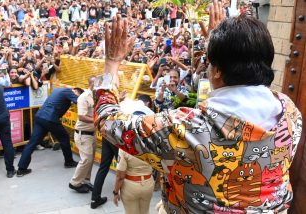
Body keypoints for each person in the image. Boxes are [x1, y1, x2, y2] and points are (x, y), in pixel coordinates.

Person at [92, 5, 303, 214]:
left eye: (210, 63)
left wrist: (111, 64)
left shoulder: (184, 129)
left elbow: (108, 120)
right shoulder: (290, 113)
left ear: (217, 71)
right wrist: (218, 46)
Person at [16, 87, 84, 177]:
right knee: (64, 138)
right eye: (77, 94)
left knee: (32, 143)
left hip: (40, 117)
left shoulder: (58, 90)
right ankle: (69, 162)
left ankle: (21, 169)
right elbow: (80, 101)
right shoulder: (68, 91)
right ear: (75, 91)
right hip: (50, 119)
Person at [69, 77, 97, 193]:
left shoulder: (96, 96)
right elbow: (81, 116)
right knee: (86, 160)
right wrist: (97, 120)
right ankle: (74, 183)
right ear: (93, 84)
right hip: (83, 134)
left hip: (91, 133)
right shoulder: (84, 97)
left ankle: (85, 180)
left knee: (90, 160)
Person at [113, 150, 154, 214]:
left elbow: (120, 176)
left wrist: (115, 192)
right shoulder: (152, 142)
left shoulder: (124, 147)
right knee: (145, 211)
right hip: (148, 182)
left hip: (130, 185)